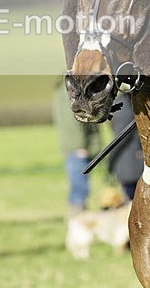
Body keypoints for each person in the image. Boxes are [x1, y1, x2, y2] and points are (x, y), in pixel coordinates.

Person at [52, 78, 102, 216]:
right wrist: (80, 145)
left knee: (79, 188)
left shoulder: (63, 90)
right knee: (80, 190)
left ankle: (77, 224)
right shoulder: (69, 91)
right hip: (78, 150)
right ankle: (77, 225)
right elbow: (73, 119)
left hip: (74, 148)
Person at [107, 92, 143, 202]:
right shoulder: (128, 104)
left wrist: (110, 163)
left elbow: (119, 140)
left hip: (130, 166)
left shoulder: (123, 108)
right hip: (132, 165)